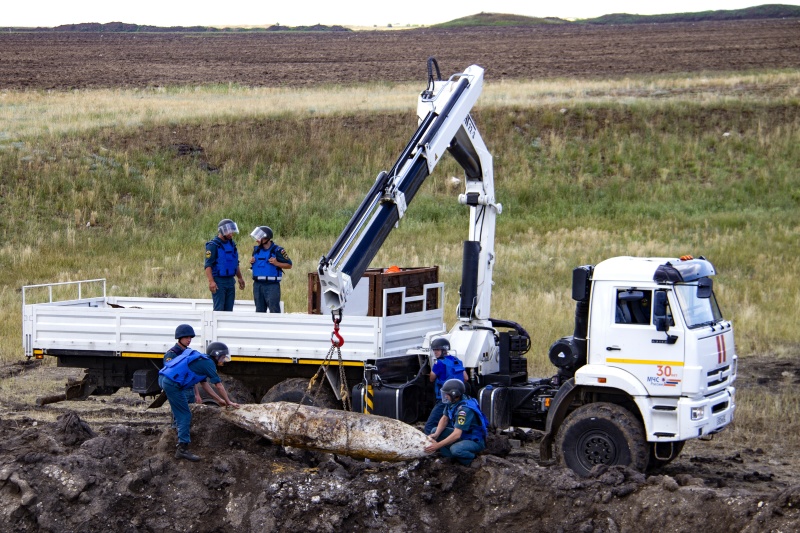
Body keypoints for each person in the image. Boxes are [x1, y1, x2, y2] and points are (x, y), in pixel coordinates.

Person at [158, 340, 240, 461]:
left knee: (182, 413)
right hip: (172, 384)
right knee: (185, 415)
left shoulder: (204, 361)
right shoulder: (209, 364)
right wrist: (229, 402)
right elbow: (219, 385)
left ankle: (177, 439)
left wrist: (219, 400)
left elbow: (205, 385)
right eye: (222, 357)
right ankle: (182, 449)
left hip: (168, 380)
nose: (223, 360)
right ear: (216, 355)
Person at [424, 378, 488, 466]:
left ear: (455, 394)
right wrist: (436, 434)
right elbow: (444, 418)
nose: (445, 396)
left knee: (456, 449)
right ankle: (452, 459)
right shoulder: (453, 402)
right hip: (463, 435)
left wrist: (438, 445)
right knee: (434, 430)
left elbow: (457, 434)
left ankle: (472, 461)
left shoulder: (464, 410)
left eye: (447, 394)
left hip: (474, 439)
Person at [423, 337, 468, 434]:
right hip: (457, 398)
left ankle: (427, 446)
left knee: (430, 424)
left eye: (437, 350)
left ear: (444, 350)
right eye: (434, 350)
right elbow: (466, 378)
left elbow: (432, 378)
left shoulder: (438, 363)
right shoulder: (456, 360)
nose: (435, 352)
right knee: (449, 424)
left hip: (444, 398)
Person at [249, 226, 292, 313]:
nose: (257, 240)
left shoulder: (278, 250)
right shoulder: (256, 250)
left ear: (266, 238)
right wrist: (252, 261)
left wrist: (277, 263)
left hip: (271, 286)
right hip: (258, 286)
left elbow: (289, 265)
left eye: (259, 237)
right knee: (259, 311)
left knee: (274, 311)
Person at [205, 219, 245, 311]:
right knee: (219, 309)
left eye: (232, 231)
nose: (231, 234)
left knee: (229, 310)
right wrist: (211, 282)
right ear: (222, 231)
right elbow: (208, 266)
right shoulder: (213, 245)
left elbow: (235, 263)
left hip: (230, 281)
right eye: (229, 232)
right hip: (219, 282)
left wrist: (240, 277)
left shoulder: (232, 244)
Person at [164, 324, 203, 406]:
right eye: (186, 337)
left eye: (190, 338)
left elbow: (192, 375)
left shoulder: (189, 353)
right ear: (180, 338)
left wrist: (197, 394)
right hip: (179, 391)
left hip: (190, 391)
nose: (189, 340)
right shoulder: (172, 354)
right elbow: (168, 376)